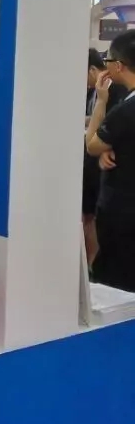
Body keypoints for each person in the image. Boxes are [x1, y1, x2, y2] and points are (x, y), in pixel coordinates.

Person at [86, 31, 135, 291]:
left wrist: (101, 101)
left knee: (116, 280)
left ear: (119, 65)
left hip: (122, 209)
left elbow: (92, 144)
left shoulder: (125, 109)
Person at [82, 49, 127, 265]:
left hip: (105, 171)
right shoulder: (95, 92)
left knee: (95, 217)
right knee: (88, 215)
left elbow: (98, 140)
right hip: (93, 164)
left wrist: (106, 147)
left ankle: (94, 261)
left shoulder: (116, 92)